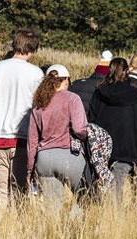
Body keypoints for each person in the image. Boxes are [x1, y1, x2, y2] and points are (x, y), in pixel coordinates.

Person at [0, 28, 44, 227]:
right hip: (22, 138)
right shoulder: (36, 73)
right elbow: (39, 110)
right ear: (32, 48)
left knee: (1, 194)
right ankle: (20, 234)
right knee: (20, 192)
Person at [25, 65, 87, 216]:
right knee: (84, 197)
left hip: (44, 159)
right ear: (65, 80)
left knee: (52, 208)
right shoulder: (73, 98)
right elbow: (79, 129)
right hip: (70, 156)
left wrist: (30, 169)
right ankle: (75, 230)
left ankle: (53, 236)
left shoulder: (39, 104)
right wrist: (88, 135)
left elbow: (32, 142)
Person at [88, 58, 137, 202]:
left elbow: (91, 121)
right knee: (119, 192)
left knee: (102, 192)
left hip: (102, 151)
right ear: (127, 71)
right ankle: (116, 221)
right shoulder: (136, 96)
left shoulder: (99, 93)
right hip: (127, 150)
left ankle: (105, 217)